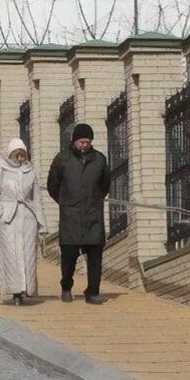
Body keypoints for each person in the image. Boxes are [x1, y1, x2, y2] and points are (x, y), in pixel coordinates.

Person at [46, 122, 110, 304]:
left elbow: (105, 185)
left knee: (95, 255)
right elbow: (53, 186)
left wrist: (94, 200)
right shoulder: (62, 159)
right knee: (69, 255)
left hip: (93, 215)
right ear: (74, 141)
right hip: (70, 216)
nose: (84, 145)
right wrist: (66, 202)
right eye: (81, 141)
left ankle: (93, 291)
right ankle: (66, 286)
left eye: (87, 142)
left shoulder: (99, 159)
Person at [0, 137, 47, 306]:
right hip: (8, 220)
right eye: (17, 155)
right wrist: (0, 214)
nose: (20, 159)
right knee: (10, 255)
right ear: (11, 154)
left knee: (28, 255)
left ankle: (27, 289)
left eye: (23, 155)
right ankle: (15, 291)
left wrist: (41, 223)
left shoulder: (30, 171)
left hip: (27, 219)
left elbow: (37, 200)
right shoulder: (1, 169)